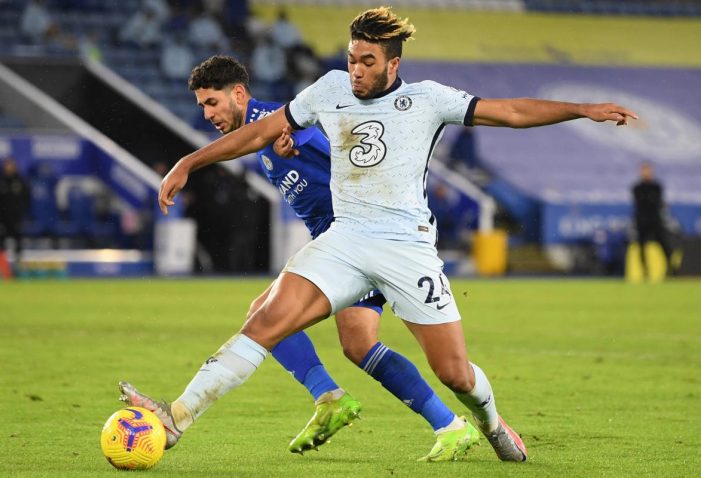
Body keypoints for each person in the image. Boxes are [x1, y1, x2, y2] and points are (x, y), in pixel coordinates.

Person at [128, 6, 637, 463]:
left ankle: (489, 422)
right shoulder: (329, 89)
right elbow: (262, 131)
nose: (356, 70)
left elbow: (511, 111)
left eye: (367, 61)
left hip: (406, 247)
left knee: (455, 373)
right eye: (352, 58)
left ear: (393, 64)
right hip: (344, 239)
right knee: (263, 322)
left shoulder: (428, 100)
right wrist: (188, 163)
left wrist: (582, 108)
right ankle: (176, 419)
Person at [122, 55, 475, 462]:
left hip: (361, 238)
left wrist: (193, 162)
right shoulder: (266, 132)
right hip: (346, 242)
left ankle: (326, 400)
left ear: (238, 93)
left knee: (269, 316)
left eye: (212, 103)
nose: (207, 114)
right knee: (357, 343)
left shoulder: (280, 121)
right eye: (202, 106)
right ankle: (439, 423)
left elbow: (338, 134)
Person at [631, 161, 674, 274]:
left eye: (648, 170)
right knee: (641, 246)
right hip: (642, 221)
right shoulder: (637, 187)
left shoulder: (656, 186)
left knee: (664, 243)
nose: (646, 173)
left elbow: (657, 202)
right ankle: (645, 270)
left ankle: (671, 268)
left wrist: (651, 201)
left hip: (655, 220)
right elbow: (642, 202)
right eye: (644, 171)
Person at [0, 157, 30, 263]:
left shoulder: (20, 181)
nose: (8, 167)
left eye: (10, 165)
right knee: (1, 241)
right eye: (7, 165)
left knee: (18, 239)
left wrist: (21, 212)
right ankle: (0, 263)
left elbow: (26, 198)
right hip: (3, 217)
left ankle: (19, 262)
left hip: (16, 217)